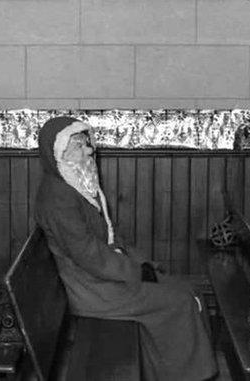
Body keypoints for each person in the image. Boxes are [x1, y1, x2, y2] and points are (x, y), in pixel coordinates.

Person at [34, 116, 218, 381]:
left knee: (187, 292)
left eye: (86, 143)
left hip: (102, 278)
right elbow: (89, 256)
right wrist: (136, 271)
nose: (88, 150)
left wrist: (142, 263)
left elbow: (111, 237)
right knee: (180, 302)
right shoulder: (58, 197)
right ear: (58, 153)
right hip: (93, 289)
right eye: (77, 145)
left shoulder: (73, 185)